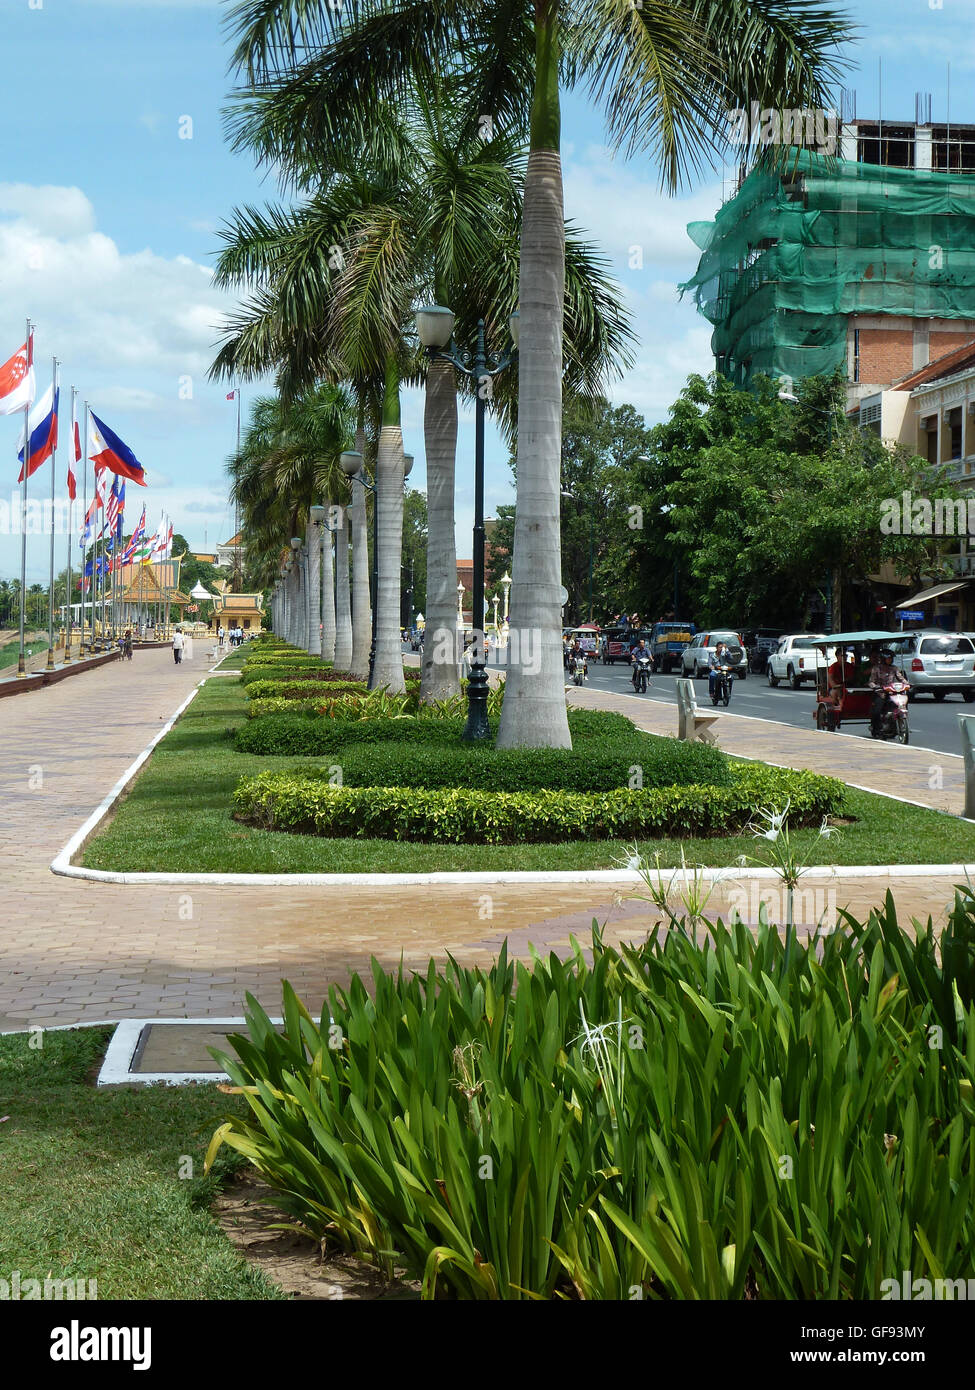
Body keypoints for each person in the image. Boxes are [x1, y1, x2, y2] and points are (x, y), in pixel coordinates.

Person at [869, 649, 908, 735]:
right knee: (877, 711)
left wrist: (907, 684)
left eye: (891, 658)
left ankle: (895, 725)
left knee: (901, 702)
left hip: (892, 692)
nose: (890, 660)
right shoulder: (876, 668)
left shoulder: (894, 668)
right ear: (883, 659)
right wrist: (876, 687)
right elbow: (871, 681)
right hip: (881, 693)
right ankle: (876, 728)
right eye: (888, 658)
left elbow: (900, 678)